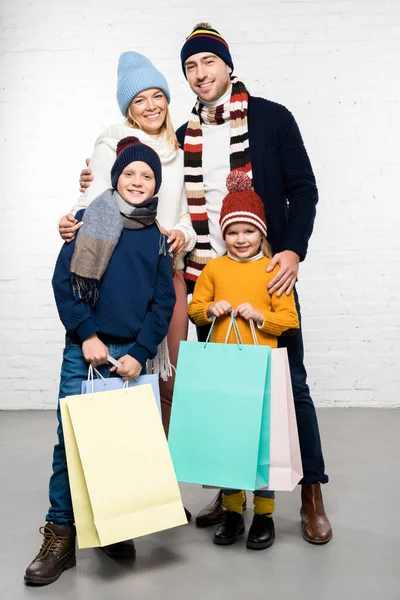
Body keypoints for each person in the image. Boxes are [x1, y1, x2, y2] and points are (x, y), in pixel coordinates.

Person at [177, 23, 332, 544]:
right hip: (209, 282)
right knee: (225, 392)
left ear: (226, 64)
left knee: (293, 386)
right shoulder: (183, 137)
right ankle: (231, 492)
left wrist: (292, 250)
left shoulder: (271, 118)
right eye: (190, 67)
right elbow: (148, 178)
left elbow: (303, 188)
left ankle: (311, 491)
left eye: (207, 63)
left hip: (267, 275)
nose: (200, 75)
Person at [24, 137, 176, 586]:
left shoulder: (158, 239)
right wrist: (87, 335)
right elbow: (63, 282)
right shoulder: (90, 221)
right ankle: (61, 534)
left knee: (124, 443)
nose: (137, 181)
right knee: (71, 442)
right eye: (129, 173)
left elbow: (162, 304)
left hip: (130, 356)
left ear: (156, 186)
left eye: (147, 175)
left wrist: (140, 354)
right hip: (84, 351)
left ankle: (115, 523)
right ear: (115, 178)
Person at [58, 51, 196, 437]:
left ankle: (160, 488)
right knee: (118, 386)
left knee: (167, 380)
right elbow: (96, 202)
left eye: (157, 96)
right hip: (122, 272)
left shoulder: (180, 151)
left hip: (167, 273)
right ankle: (118, 481)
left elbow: (187, 214)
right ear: (128, 108)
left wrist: (182, 234)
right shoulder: (113, 144)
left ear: (168, 99)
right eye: (139, 100)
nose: (150, 106)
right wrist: (70, 219)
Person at [188, 171, 299, 550]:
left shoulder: (272, 269)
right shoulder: (214, 269)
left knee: (264, 445)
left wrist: (260, 316)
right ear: (224, 235)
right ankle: (233, 511)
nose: (240, 240)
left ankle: (264, 514)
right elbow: (195, 310)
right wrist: (211, 310)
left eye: (248, 232)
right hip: (224, 370)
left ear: (261, 233)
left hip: (262, 370)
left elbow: (290, 320)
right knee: (228, 442)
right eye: (232, 232)